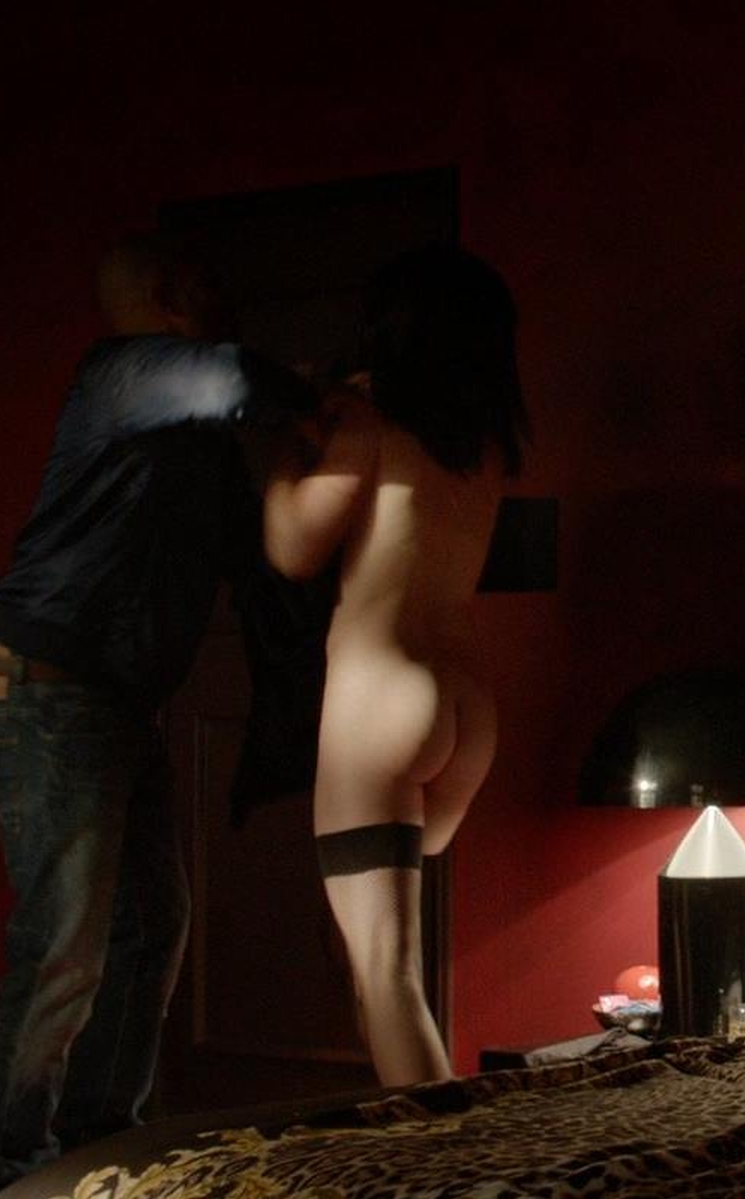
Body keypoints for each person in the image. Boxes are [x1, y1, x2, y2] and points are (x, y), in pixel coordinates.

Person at [0, 232, 307, 1198]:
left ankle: (98, 1140)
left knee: (153, 923)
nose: (226, 293)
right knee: (64, 939)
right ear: (169, 291)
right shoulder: (123, 373)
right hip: (46, 687)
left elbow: (262, 561)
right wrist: (332, 397)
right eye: (209, 280)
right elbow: (240, 378)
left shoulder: (194, 440)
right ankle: (12, 1179)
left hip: (113, 701)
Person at [264, 245, 526, 1085]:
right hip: (464, 706)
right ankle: (414, 1139)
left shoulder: (362, 416)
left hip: (381, 694)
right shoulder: (482, 442)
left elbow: (293, 547)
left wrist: (285, 448)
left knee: (387, 973)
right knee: (381, 962)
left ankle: (445, 1162)